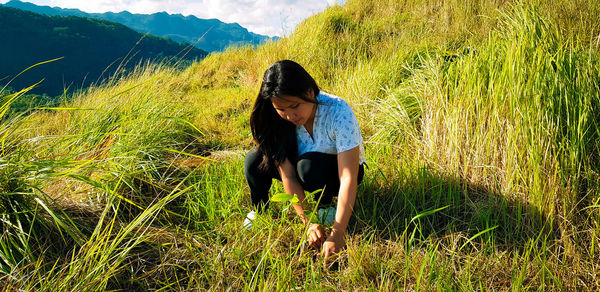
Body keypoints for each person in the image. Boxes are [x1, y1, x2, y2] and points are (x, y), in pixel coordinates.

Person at [244, 60, 365, 259]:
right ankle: (260, 211)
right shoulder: (279, 119)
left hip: (336, 172)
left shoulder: (338, 112)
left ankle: (326, 204)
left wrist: (338, 233)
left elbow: (348, 176)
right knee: (254, 161)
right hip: (302, 167)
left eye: (294, 106)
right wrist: (309, 222)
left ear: (309, 92)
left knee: (309, 167)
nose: (290, 115)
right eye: (281, 109)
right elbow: (288, 176)